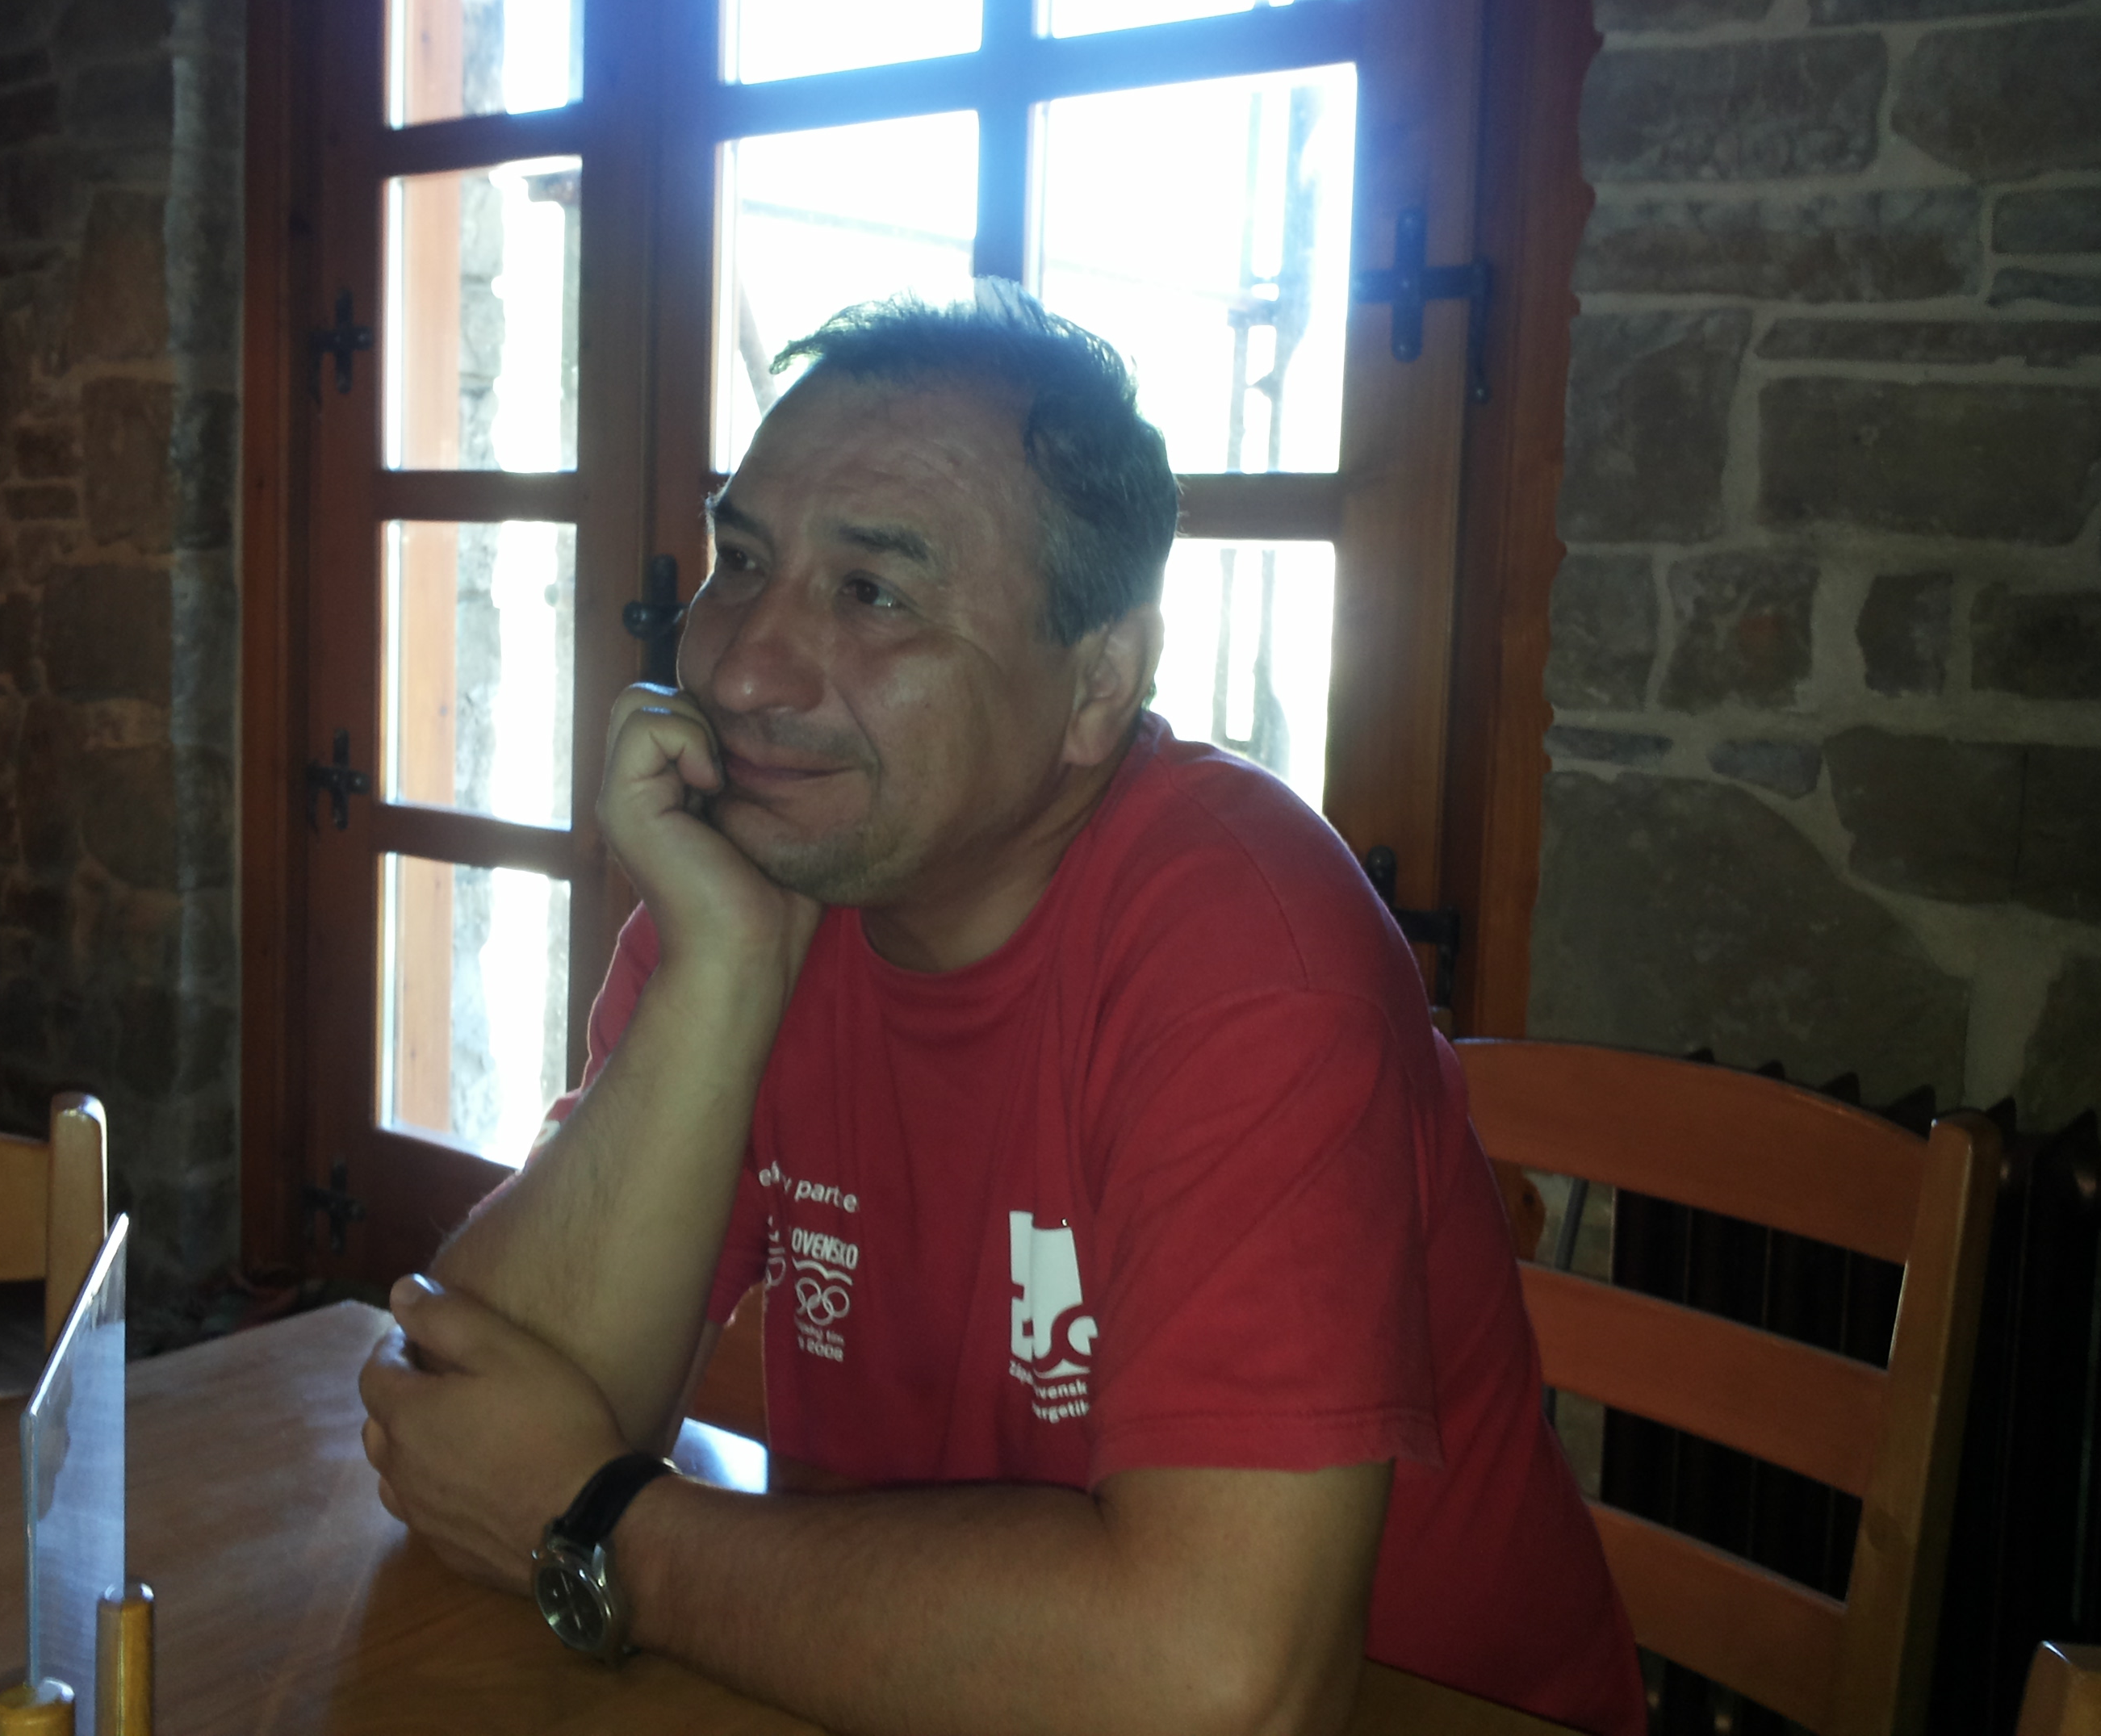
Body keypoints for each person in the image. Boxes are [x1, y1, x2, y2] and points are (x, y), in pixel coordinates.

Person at [358, 291, 1643, 1736]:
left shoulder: (1245, 945)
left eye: (872, 594)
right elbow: (464, 1425)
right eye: (743, 560)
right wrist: (720, 972)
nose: (743, 670)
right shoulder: (777, 878)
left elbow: (1219, 1689)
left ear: (1099, 685)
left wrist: (610, 1533)